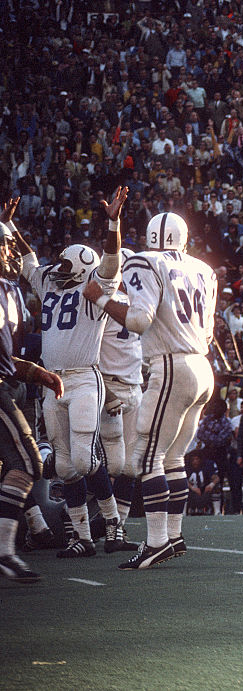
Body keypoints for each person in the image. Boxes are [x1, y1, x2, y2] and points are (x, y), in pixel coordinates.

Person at [84, 210, 220, 568]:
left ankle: (157, 541)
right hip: (203, 368)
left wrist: (99, 298)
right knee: (172, 456)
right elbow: (208, 333)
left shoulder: (146, 261)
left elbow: (138, 321)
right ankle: (173, 537)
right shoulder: (204, 269)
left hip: (172, 365)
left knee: (146, 457)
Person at [17, 187, 126, 557]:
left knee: (83, 459)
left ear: (81, 268)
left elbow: (112, 262)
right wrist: (8, 227)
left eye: (67, 266)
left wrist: (113, 222)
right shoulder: (50, 281)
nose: (60, 270)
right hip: (53, 381)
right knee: (64, 466)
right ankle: (83, 537)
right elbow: (28, 261)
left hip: (83, 378)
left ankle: (113, 525)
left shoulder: (94, 288)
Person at [0, 202, 64, 583]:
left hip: (8, 382)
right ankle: (5, 552)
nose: (9, 255)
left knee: (15, 467)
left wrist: (39, 373)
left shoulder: (9, 291)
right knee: (28, 463)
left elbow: (10, 360)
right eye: (4, 248)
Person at [97, 246, 144, 549]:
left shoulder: (135, 303)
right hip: (110, 386)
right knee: (109, 464)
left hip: (134, 386)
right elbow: (86, 351)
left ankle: (118, 528)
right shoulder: (104, 305)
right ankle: (105, 520)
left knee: (131, 466)